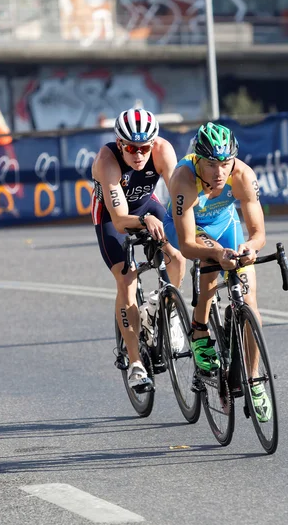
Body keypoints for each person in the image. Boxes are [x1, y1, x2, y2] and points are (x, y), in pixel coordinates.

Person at [167, 122, 271, 422]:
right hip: (191, 228)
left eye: (225, 163)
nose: (219, 172)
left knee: (250, 303)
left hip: (225, 224)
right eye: (211, 163)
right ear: (198, 158)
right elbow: (187, 245)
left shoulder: (243, 175)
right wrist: (215, 253)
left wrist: (250, 248)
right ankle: (199, 331)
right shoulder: (183, 179)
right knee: (211, 270)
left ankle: (253, 382)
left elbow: (257, 232)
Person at [91, 108, 186, 391]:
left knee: (178, 257)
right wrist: (145, 221)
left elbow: (179, 195)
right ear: (120, 144)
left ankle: (164, 310)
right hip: (111, 216)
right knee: (127, 277)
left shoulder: (162, 151)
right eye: (131, 148)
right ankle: (135, 364)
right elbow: (120, 221)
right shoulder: (106, 161)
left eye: (144, 147)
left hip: (148, 206)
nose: (138, 154)